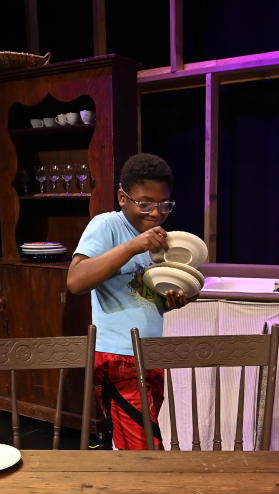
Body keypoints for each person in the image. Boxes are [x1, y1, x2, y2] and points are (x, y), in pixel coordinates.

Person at [67, 152, 191, 449]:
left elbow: (142, 296)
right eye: (145, 203)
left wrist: (170, 300)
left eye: (164, 204)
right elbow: (76, 281)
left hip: (151, 354)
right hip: (118, 356)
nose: (155, 212)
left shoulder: (158, 239)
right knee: (144, 449)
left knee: (130, 446)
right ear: (122, 198)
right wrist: (133, 246)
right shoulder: (107, 225)